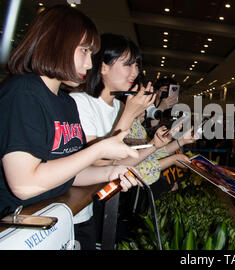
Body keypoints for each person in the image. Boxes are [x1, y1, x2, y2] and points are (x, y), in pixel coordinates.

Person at [0, 5, 141, 248]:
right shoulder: (23, 92)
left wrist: (109, 173)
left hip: (54, 225)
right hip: (18, 231)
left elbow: (67, 173)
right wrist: (98, 150)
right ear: (56, 44)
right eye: (84, 50)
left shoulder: (66, 103)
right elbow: (24, 184)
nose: (90, 63)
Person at [69, 33, 194, 247]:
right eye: (128, 65)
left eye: (136, 65)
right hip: (76, 208)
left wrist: (155, 145)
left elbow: (121, 161)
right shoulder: (80, 103)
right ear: (103, 66)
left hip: (100, 207)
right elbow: (99, 162)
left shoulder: (118, 107)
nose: (135, 72)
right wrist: (129, 115)